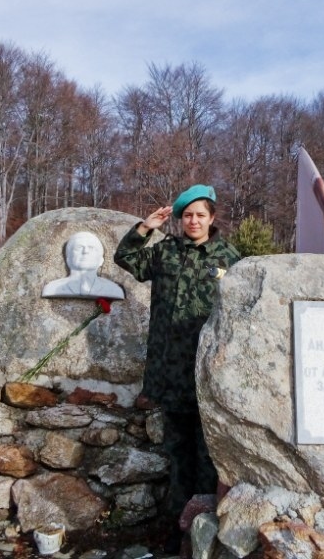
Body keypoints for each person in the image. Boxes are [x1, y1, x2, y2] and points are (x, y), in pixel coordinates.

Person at [113, 184, 241, 550]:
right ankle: (177, 528)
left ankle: (206, 527)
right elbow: (126, 259)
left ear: (212, 218)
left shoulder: (229, 257)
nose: (194, 221)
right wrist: (145, 227)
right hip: (170, 372)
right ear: (180, 220)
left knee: (208, 452)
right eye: (188, 215)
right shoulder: (166, 252)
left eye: (201, 215)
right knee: (177, 450)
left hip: (208, 374)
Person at [41, 231, 124, 300]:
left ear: (100, 260)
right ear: (68, 258)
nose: (85, 252)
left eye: (91, 248)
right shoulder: (52, 288)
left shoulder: (113, 290)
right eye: (79, 247)